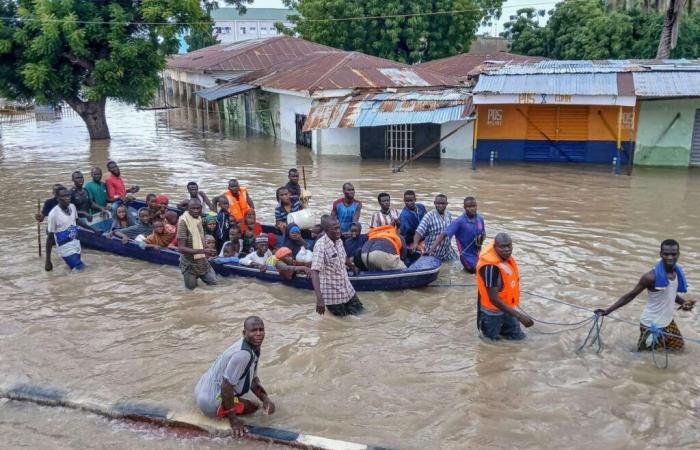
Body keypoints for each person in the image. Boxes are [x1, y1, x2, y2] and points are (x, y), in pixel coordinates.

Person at [595, 240, 695, 351]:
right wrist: (607, 311)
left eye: (673, 254)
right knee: (644, 357)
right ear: (661, 254)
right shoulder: (650, 277)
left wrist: (683, 302)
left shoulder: (677, 272)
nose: (670, 257)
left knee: (679, 350)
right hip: (651, 325)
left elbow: (669, 293)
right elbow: (631, 295)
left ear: (678, 254)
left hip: (668, 322)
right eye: (666, 254)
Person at [194, 316, 275, 437]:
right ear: (244, 333)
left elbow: (252, 380)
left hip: (200, 390)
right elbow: (226, 386)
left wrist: (266, 399)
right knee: (254, 408)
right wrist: (234, 421)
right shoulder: (243, 354)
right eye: (254, 330)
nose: (258, 334)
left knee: (258, 402)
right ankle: (223, 415)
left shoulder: (250, 347)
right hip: (210, 403)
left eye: (261, 329)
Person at [476, 233, 533, 340]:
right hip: (491, 314)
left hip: (508, 309)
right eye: (502, 247)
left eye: (509, 246)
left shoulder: (504, 259)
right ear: (495, 247)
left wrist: (515, 312)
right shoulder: (490, 267)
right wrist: (519, 316)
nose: (507, 249)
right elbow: (493, 299)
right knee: (490, 344)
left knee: (519, 339)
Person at [311, 217, 363, 316]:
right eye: (334, 229)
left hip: (347, 288)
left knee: (361, 313)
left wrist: (352, 267)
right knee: (342, 324)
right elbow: (314, 272)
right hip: (333, 295)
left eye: (338, 228)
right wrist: (319, 299)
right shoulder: (320, 246)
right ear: (326, 230)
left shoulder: (339, 240)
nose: (338, 231)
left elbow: (343, 257)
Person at [46, 187, 99, 271]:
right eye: (64, 196)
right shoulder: (53, 214)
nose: (67, 198)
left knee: (75, 270)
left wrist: (93, 229)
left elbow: (77, 221)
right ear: (57, 198)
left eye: (68, 195)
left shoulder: (72, 207)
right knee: (81, 268)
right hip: (64, 247)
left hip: (76, 243)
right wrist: (48, 260)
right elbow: (49, 237)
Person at [428, 196, 485, 273]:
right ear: (464, 207)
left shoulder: (480, 218)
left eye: (474, 206)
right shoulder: (459, 222)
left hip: (478, 252)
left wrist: (482, 238)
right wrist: (431, 250)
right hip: (466, 255)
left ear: (476, 206)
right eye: (469, 207)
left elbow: (483, 234)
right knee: (476, 270)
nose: (472, 208)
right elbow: (443, 235)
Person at [177, 199, 218, 290]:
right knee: (191, 291)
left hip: (203, 262)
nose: (196, 211)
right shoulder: (183, 222)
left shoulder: (199, 218)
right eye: (193, 208)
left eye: (198, 208)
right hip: (189, 264)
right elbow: (181, 248)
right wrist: (203, 250)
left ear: (201, 208)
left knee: (215, 285)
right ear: (188, 209)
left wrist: (206, 250)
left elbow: (214, 213)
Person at [410, 194, 456, 262]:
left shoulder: (448, 214)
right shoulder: (428, 216)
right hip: (432, 252)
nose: (440, 206)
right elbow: (419, 231)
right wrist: (415, 243)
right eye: (438, 203)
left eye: (443, 203)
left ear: (446, 204)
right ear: (434, 203)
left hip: (448, 251)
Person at [36, 183, 65, 271]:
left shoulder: (67, 201)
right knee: (51, 240)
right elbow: (42, 216)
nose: (58, 193)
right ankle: (48, 260)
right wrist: (39, 217)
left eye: (60, 191)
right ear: (53, 193)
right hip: (53, 229)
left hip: (64, 227)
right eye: (56, 192)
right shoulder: (49, 202)